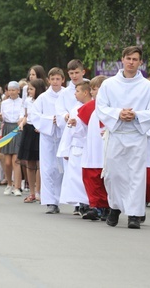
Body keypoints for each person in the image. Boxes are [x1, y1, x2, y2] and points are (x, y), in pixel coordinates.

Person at [96, 46, 150, 229]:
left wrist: (137, 115)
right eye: (128, 58)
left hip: (136, 135)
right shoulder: (109, 85)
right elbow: (101, 107)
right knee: (113, 174)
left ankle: (134, 214)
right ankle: (115, 207)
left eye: (135, 59)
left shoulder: (148, 87)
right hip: (116, 134)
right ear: (122, 59)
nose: (131, 62)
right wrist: (118, 113)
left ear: (140, 62)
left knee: (135, 176)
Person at [32, 67, 66, 214]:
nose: (55, 82)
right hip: (47, 136)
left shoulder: (68, 95)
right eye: (53, 79)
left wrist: (62, 119)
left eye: (58, 79)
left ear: (62, 80)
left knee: (63, 168)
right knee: (47, 168)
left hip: (64, 135)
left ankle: (66, 199)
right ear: (48, 80)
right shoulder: (43, 97)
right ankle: (51, 202)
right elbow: (34, 115)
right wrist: (49, 120)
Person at [57, 80, 91, 214]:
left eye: (77, 91)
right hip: (77, 147)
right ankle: (82, 203)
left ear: (86, 92)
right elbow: (69, 132)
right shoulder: (75, 109)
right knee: (76, 178)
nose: (75, 94)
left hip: (89, 146)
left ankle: (90, 203)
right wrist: (66, 149)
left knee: (86, 177)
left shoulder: (94, 107)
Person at [79, 75, 108, 221]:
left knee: (107, 179)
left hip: (107, 148)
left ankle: (107, 206)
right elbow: (80, 128)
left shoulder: (112, 107)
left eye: (95, 89)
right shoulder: (88, 108)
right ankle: (95, 206)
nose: (93, 92)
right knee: (91, 177)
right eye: (92, 89)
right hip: (93, 148)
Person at [17, 79, 45, 204]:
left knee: (40, 162)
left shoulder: (43, 99)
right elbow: (27, 115)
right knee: (29, 162)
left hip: (39, 131)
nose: (29, 91)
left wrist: (42, 126)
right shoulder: (28, 101)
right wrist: (22, 123)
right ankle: (32, 192)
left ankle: (39, 191)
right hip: (29, 129)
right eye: (28, 89)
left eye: (32, 89)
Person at [0, 81, 23, 196]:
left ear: (18, 90)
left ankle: (17, 187)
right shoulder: (4, 103)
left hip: (18, 128)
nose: (12, 92)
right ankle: (9, 183)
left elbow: (23, 115)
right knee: (7, 161)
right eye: (10, 90)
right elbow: (2, 117)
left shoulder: (23, 102)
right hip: (7, 128)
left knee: (16, 160)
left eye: (14, 89)